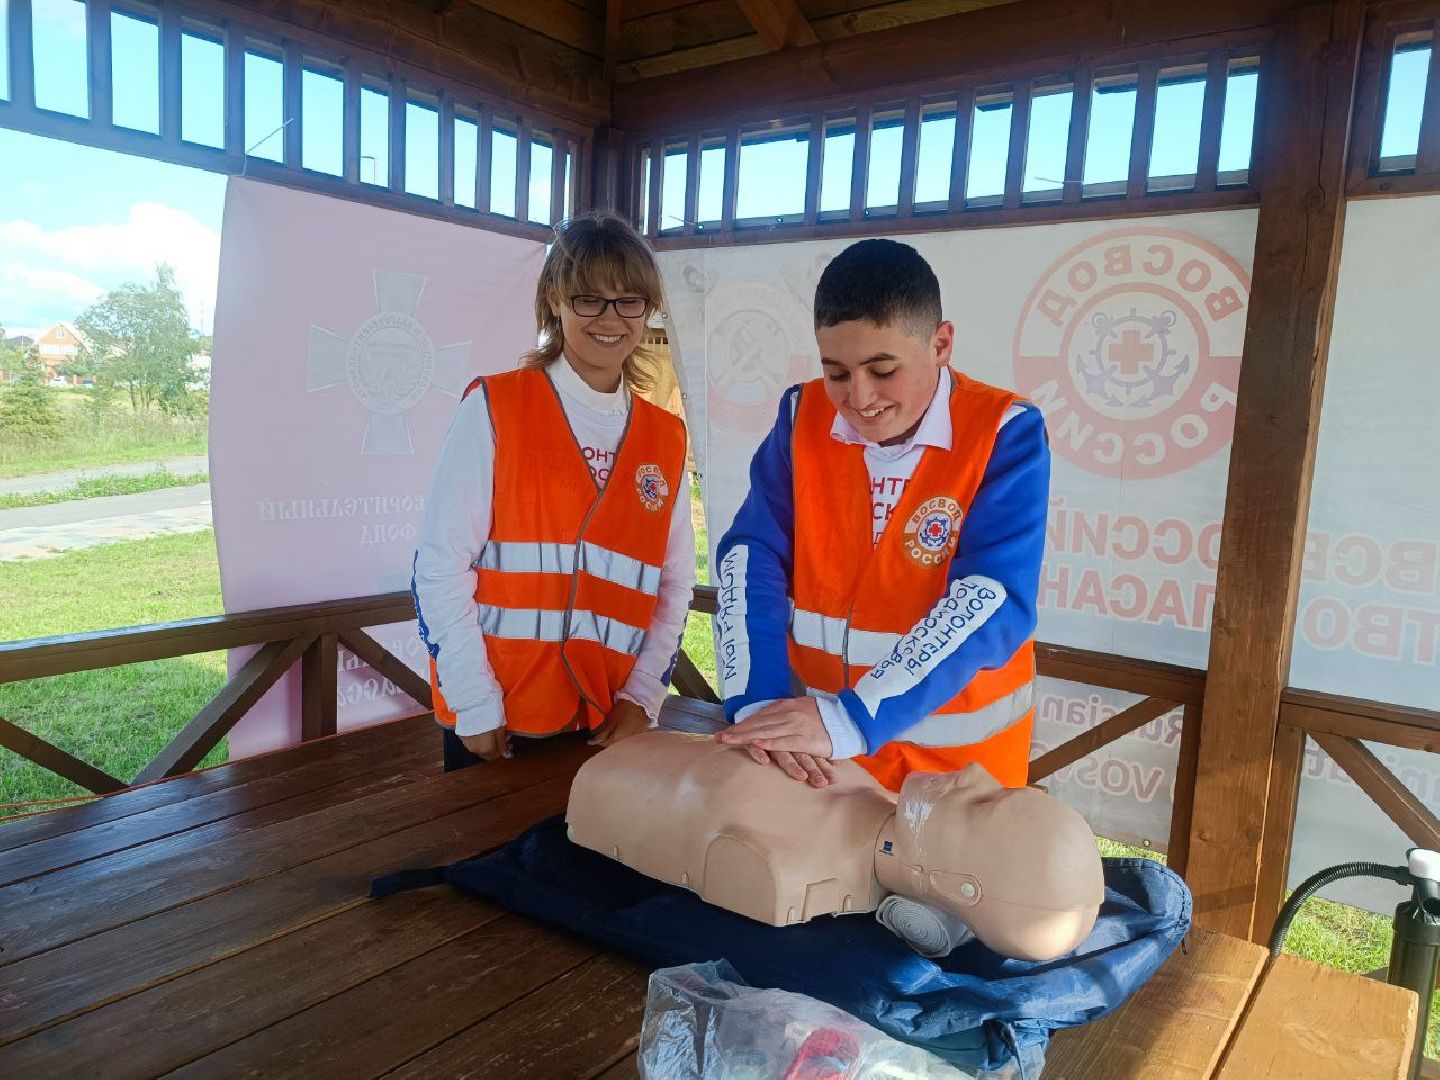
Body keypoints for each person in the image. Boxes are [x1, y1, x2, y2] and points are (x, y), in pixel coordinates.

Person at [712, 238, 1049, 792]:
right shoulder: (800, 414)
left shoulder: (1003, 430)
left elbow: (991, 598)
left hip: (960, 778)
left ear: (941, 344)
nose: (859, 397)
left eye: (882, 368)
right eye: (836, 372)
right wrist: (758, 706)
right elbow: (751, 555)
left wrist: (851, 718)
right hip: (823, 767)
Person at [412, 211, 695, 772]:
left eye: (630, 300)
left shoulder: (666, 437)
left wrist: (642, 697)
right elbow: (440, 567)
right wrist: (474, 702)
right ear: (554, 300)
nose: (610, 318)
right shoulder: (494, 408)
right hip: (497, 718)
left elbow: (674, 582)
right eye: (588, 299)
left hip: (608, 720)